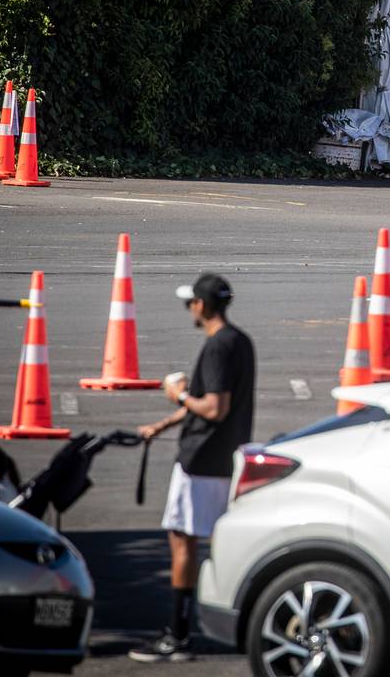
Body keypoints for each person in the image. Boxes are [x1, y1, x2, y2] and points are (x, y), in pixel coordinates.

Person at [129, 273, 255, 663]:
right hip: (226, 457)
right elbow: (214, 401)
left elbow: (213, 407)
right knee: (221, 540)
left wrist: (178, 394)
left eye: (191, 303)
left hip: (200, 459)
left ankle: (178, 634)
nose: (189, 309)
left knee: (182, 540)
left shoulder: (217, 347)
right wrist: (163, 424)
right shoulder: (240, 342)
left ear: (201, 305)